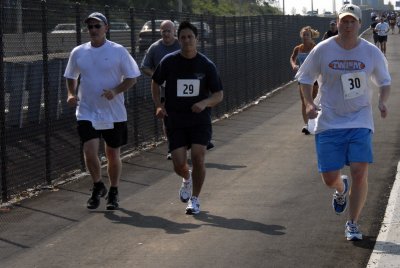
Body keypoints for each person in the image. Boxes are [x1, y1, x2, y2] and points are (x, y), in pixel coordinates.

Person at [295, 4, 391, 241]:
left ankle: (353, 223)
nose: (348, 26)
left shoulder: (370, 52)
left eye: (352, 21)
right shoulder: (323, 49)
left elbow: (384, 81)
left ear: (360, 24)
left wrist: (382, 101)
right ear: (337, 23)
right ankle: (341, 188)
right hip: (329, 119)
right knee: (329, 177)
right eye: (343, 21)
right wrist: (308, 103)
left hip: (360, 119)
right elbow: (305, 78)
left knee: (360, 171)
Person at [64, 12, 141, 210]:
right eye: (90, 27)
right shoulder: (78, 52)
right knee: (89, 150)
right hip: (87, 110)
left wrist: (115, 91)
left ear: (106, 28)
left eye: (97, 26)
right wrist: (71, 94)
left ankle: (113, 190)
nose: (93, 30)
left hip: (112, 112)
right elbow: (70, 75)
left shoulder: (118, 51)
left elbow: (132, 77)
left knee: (112, 154)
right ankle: (98, 185)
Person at [151, 21, 223, 215]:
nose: (186, 40)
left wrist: (204, 103)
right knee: (178, 164)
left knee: (199, 157)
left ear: (196, 39)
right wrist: (159, 105)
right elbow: (155, 83)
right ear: (178, 39)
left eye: (190, 37)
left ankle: (195, 199)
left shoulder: (206, 65)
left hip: (199, 120)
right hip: (175, 119)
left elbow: (218, 95)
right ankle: (186, 178)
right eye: (182, 37)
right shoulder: (169, 61)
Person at [141, 20, 181, 160]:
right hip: (164, 90)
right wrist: (158, 77)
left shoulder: (181, 44)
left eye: (169, 30)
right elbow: (144, 66)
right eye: (163, 31)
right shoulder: (155, 48)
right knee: (167, 120)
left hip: (183, 87)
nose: (166, 33)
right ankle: (172, 147)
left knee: (185, 116)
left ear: (174, 31)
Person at [290, 26, 320, 135]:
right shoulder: (298, 48)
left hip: (314, 77)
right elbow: (292, 58)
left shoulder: (315, 47)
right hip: (303, 78)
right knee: (304, 102)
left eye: (307, 35)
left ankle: (315, 123)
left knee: (313, 101)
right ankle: (307, 125)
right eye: (303, 35)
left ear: (311, 36)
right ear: (301, 36)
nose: (305, 37)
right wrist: (293, 65)